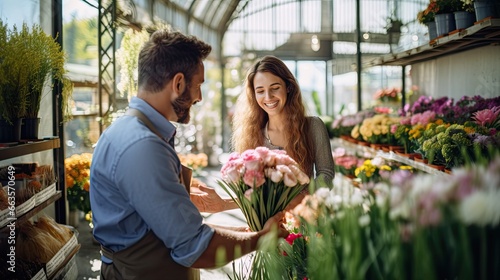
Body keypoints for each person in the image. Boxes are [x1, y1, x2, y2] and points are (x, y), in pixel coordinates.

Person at [90, 29, 288, 280]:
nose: (200, 96)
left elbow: (172, 230)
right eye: (199, 85)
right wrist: (261, 240)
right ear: (178, 83)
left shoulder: (126, 131)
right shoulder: (143, 147)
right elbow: (195, 247)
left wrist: (243, 230)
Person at [231, 55, 335, 209]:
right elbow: (248, 188)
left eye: (275, 88)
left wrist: (298, 202)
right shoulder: (252, 135)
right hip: (266, 224)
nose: (268, 97)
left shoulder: (313, 126)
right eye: (260, 91)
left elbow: (326, 174)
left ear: (288, 87)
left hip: (305, 220)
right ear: (254, 94)